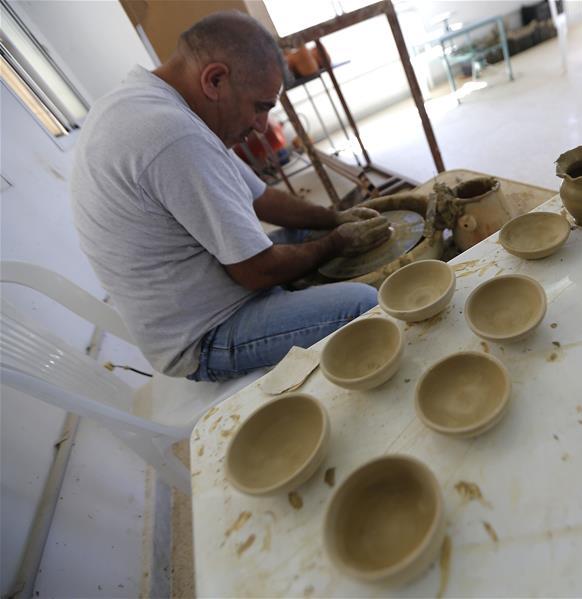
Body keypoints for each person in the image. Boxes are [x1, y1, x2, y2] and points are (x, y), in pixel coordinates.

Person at [70, 11, 391, 382]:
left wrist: (333, 219)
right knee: (364, 305)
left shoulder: (155, 101)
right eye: (260, 107)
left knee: (310, 236)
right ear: (215, 79)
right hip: (204, 335)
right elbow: (257, 271)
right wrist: (336, 242)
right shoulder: (171, 135)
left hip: (208, 290)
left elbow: (262, 198)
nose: (261, 126)